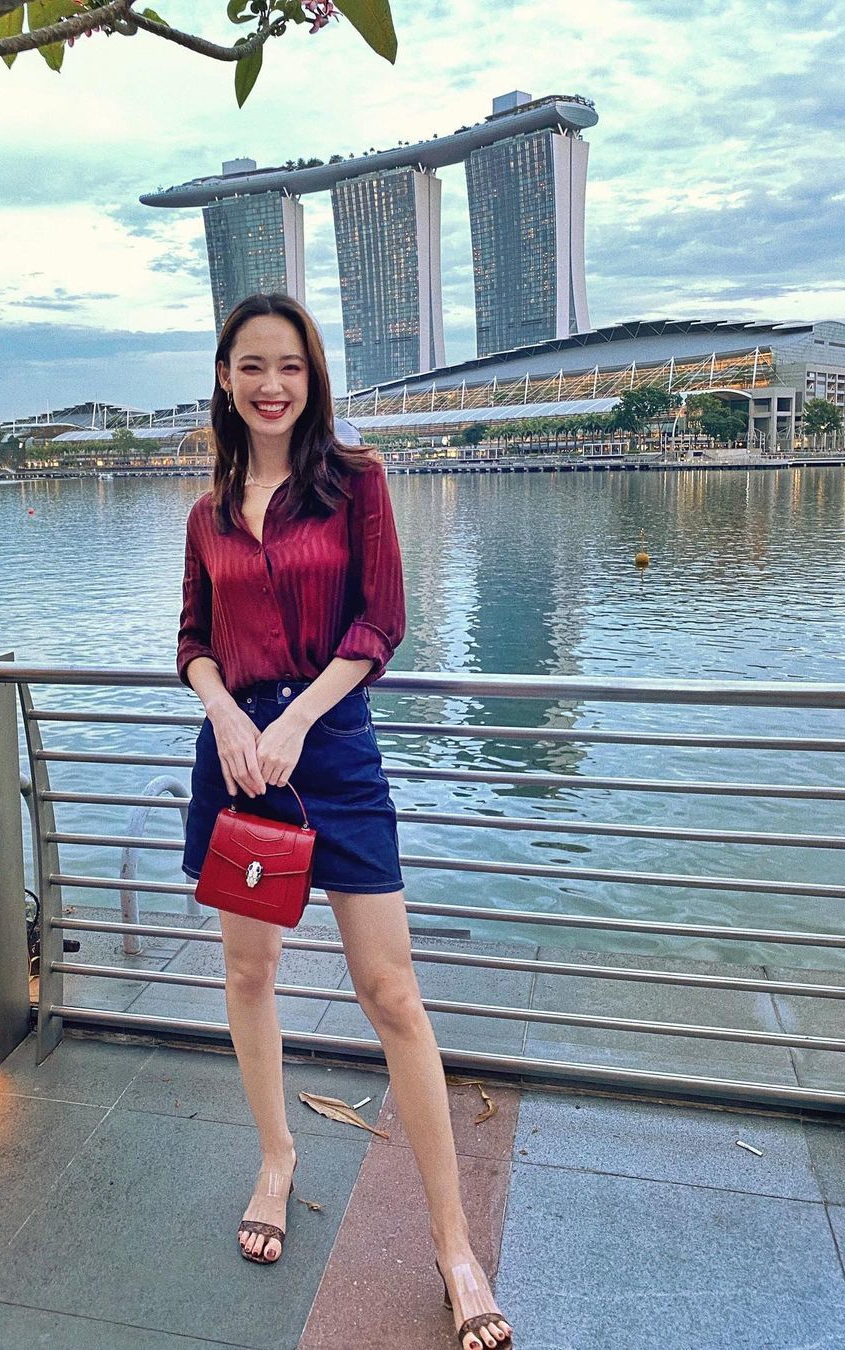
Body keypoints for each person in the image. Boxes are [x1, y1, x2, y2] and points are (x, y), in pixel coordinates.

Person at [176, 293, 513, 1350]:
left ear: (312, 376)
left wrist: (297, 719)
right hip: (238, 758)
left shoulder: (357, 480)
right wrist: (228, 713)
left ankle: (454, 1246)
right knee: (249, 975)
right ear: (225, 378)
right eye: (251, 366)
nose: (271, 385)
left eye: (289, 366)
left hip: (333, 748)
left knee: (392, 994)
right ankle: (277, 1158)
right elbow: (191, 640)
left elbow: (380, 623)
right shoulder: (208, 510)